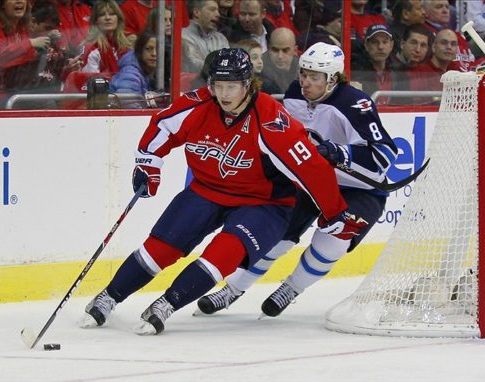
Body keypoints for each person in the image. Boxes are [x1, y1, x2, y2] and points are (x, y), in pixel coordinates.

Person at [79, 48, 354, 335]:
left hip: (264, 203)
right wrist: (149, 163)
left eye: (231, 87)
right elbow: (162, 125)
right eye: (218, 86)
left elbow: (311, 168)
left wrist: (334, 210)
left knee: (223, 253)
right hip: (207, 190)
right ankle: (109, 296)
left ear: (248, 85)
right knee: (161, 247)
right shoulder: (198, 105)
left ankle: (165, 305)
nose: (223, 94)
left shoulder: (270, 120)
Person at [196, 42, 397, 318]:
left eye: (314, 77)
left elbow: (384, 156)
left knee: (333, 240)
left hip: (360, 188)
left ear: (333, 79)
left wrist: (340, 152)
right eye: (303, 74)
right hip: (310, 181)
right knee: (273, 235)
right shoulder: (293, 94)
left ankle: (291, 288)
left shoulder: (355, 104)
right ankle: (232, 289)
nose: (305, 82)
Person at [109, 31, 159, 108]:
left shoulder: (144, 72)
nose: (154, 54)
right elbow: (130, 107)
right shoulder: (130, 74)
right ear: (139, 51)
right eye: (148, 49)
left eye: (157, 50)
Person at [80, 0, 129, 74]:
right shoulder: (91, 48)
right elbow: (90, 82)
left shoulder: (126, 47)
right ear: (96, 21)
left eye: (112, 14)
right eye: (102, 15)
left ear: (118, 19)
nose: (107, 18)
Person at [181, 0, 229, 73]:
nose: (218, 14)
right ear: (196, 12)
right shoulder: (183, 35)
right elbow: (194, 66)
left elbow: (229, 64)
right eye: (212, 10)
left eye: (218, 10)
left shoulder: (221, 38)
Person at [261, 27, 299, 93]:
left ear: (295, 50)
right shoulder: (259, 68)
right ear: (268, 48)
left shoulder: (302, 68)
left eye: (285, 50)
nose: (280, 56)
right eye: (275, 50)